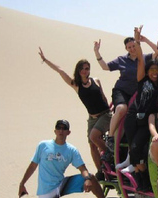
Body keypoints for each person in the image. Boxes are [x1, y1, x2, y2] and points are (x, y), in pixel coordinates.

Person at [38, 48, 111, 179]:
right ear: (78, 70)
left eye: (87, 68)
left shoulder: (96, 80)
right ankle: (101, 171)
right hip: (92, 118)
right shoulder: (76, 85)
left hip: (105, 115)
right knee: (92, 145)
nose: (85, 71)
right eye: (82, 68)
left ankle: (110, 154)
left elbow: (104, 97)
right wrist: (45, 60)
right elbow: (60, 70)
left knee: (94, 137)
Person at [93, 33, 154, 162]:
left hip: (137, 94)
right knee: (121, 109)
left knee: (132, 120)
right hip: (121, 91)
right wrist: (97, 52)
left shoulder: (144, 58)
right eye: (129, 47)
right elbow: (105, 67)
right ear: (126, 49)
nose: (132, 49)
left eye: (134, 46)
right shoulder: (122, 59)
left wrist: (145, 40)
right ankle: (110, 138)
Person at [123, 26, 158, 192]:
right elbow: (140, 58)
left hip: (146, 121)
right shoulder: (142, 79)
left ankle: (144, 180)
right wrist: (137, 40)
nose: (154, 72)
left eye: (157, 70)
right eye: (151, 70)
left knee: (137, 148)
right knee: (133, 152)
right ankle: (141, 181)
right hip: (133, 117)